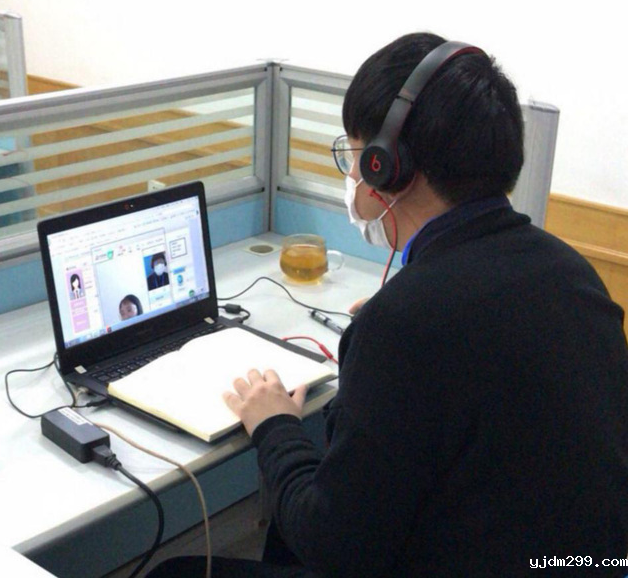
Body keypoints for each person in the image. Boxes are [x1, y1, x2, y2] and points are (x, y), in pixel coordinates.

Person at [148, 34, 628, 577]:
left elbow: (333, 547)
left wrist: (275, 425)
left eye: (355, 156)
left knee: (174, 573)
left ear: (386, 167)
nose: (353, 175)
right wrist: (396, 321)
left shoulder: (408, 323)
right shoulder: (572, 274)